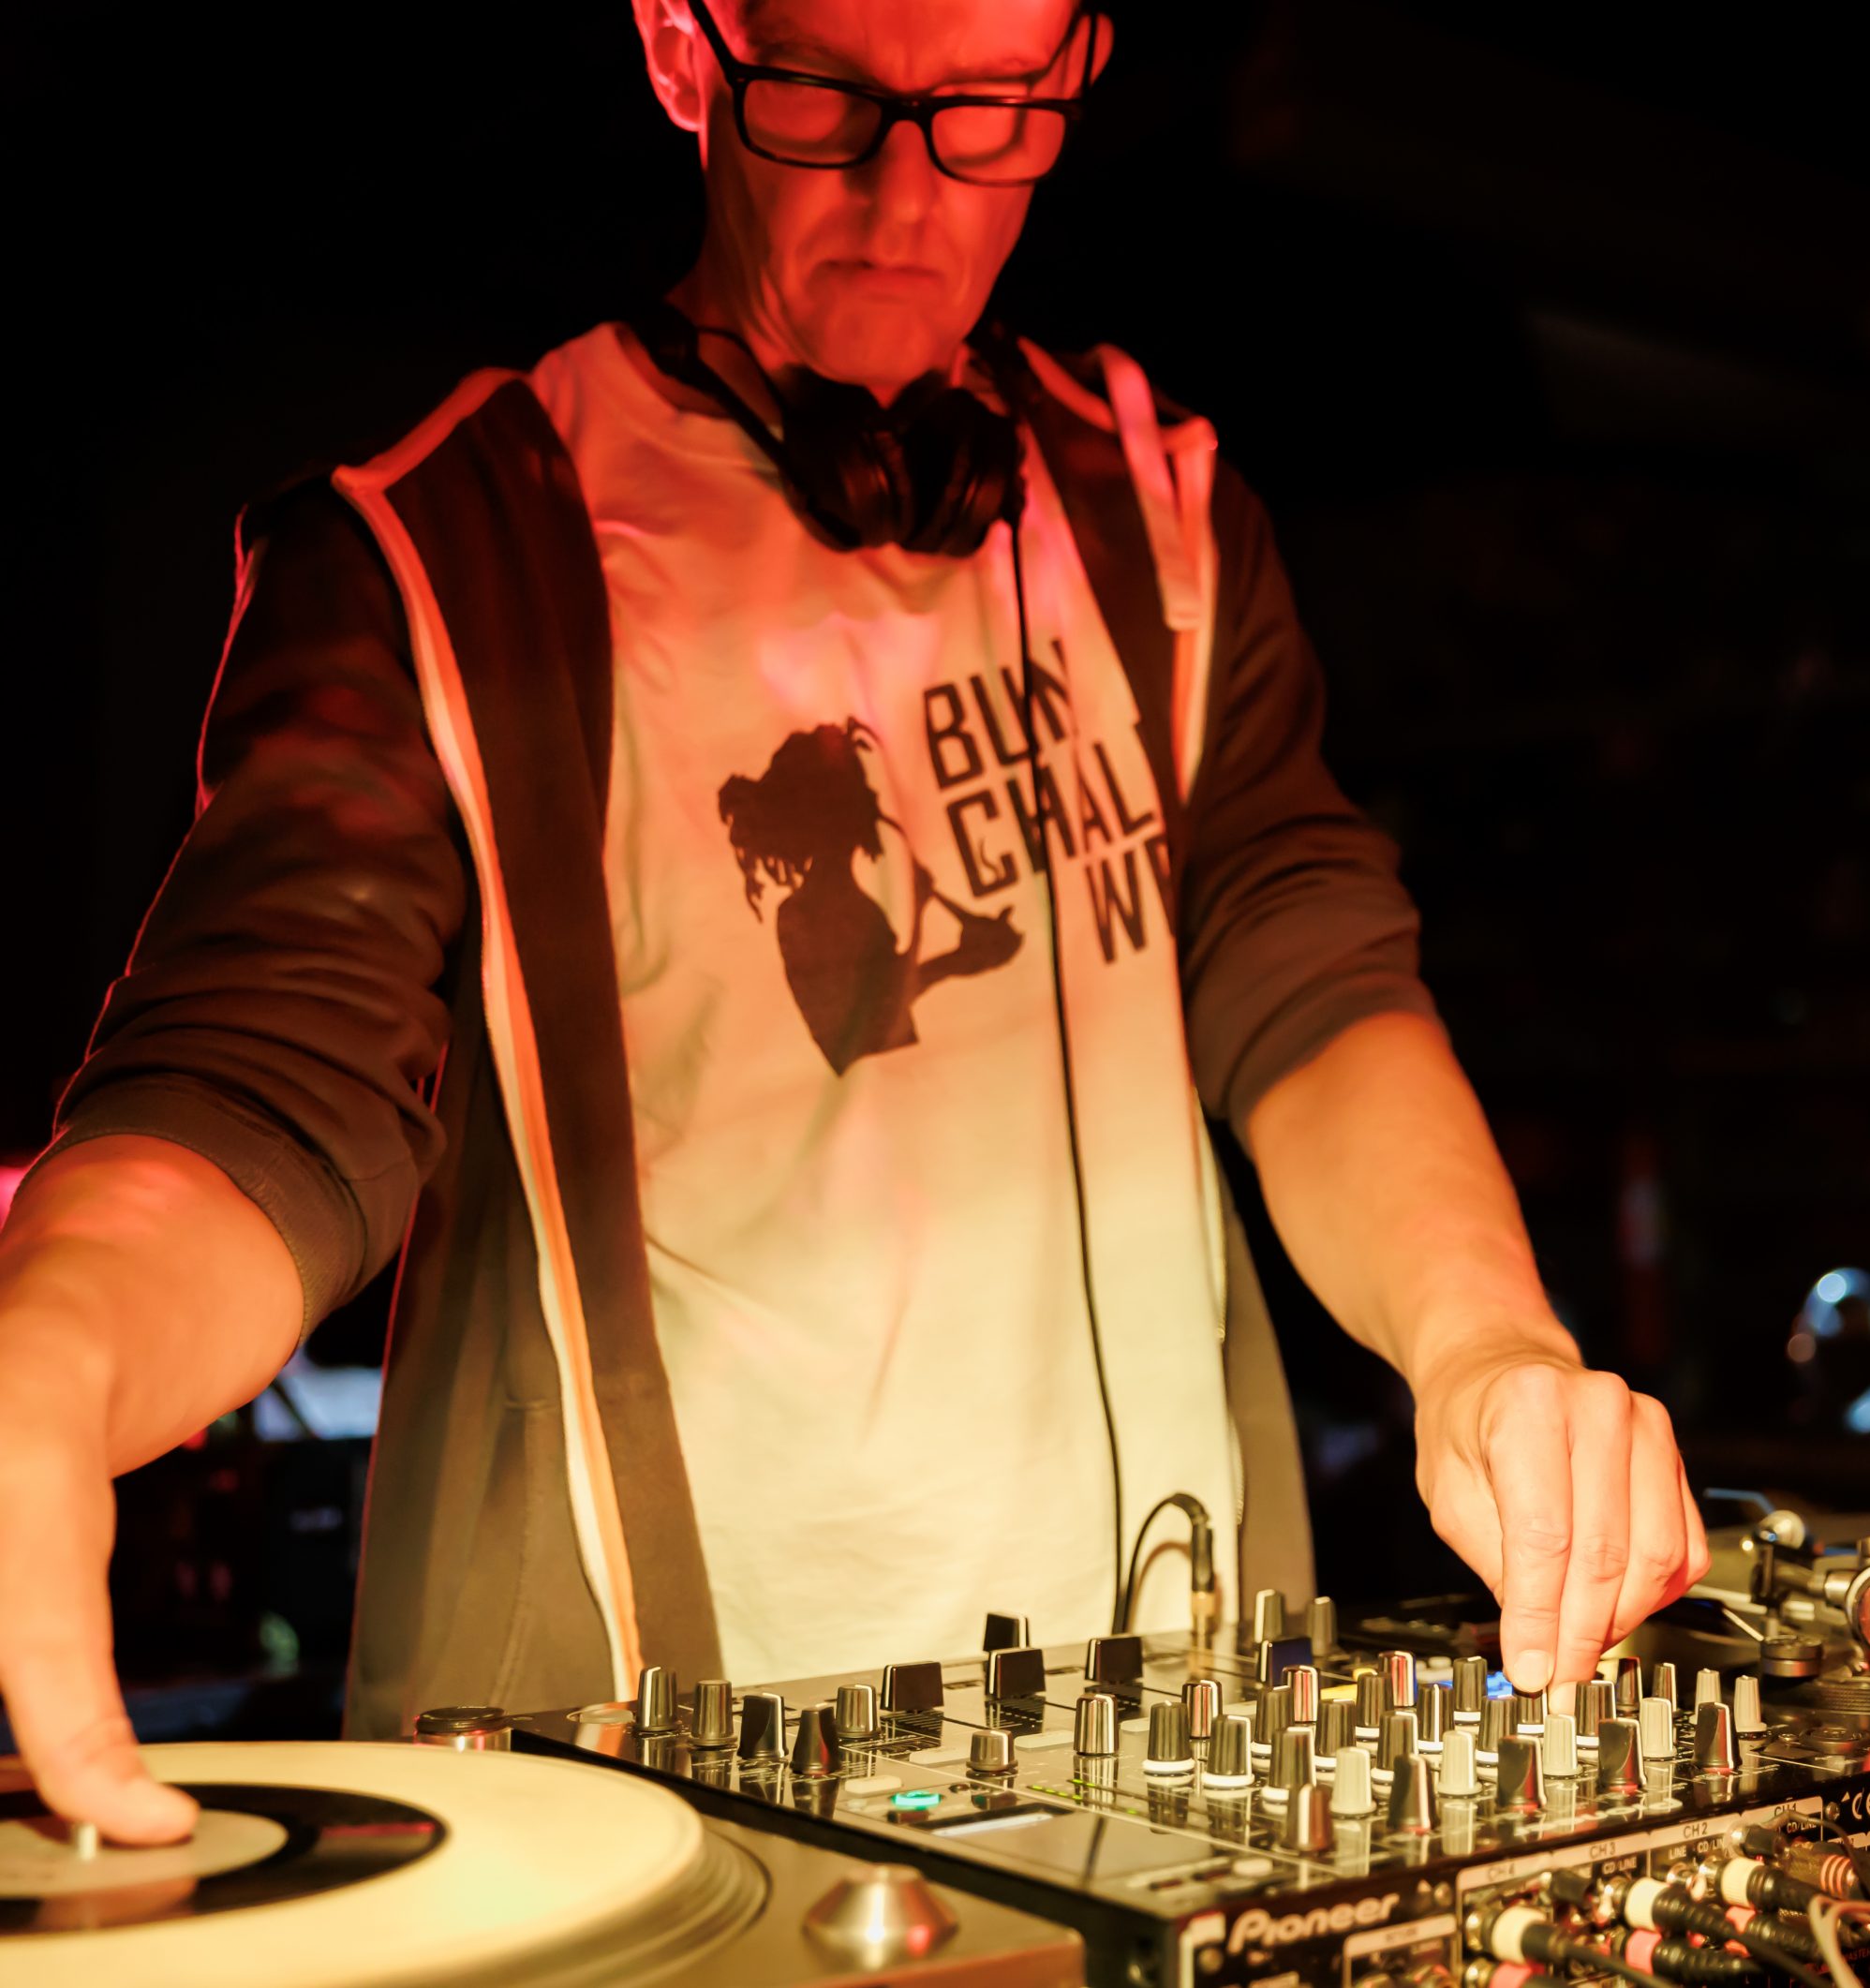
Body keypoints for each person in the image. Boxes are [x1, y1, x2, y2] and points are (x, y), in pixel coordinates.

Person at [0, 0, 1709, 1845]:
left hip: (1168, 1750)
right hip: (653, 1797)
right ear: (682, 50)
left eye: (989, 107)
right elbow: (260, 1075)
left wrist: (1485, 1339)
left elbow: (1305, 967)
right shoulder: (444, 553)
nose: (906, 195)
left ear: (1077, 68)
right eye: (822, 95)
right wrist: (56, 1350)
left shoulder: (1161, 513)